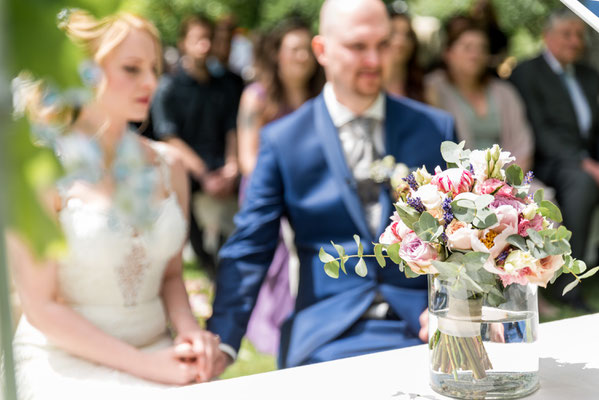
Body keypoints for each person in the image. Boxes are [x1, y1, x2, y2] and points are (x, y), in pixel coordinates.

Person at [207, 0, 455, 372]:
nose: (374, 60)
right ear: (321, 51)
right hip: (326, 335)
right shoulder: (283, 140)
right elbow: (250, 248)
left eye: (383, 44)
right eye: (358, 46)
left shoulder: (435, 130)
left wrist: (456, 307)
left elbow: (462, 237)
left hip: (424, 327)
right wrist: (222, 343)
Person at [8, 10, 222, 399]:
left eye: (153, 69)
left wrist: (191, 334)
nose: (150, 83)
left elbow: (171, 276)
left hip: (159, 349)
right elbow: (40, 306)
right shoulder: (39, 172)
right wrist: (147, 368)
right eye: (132, 69)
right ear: (83, 72)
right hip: (63, 365)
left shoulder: (168, 166)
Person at [237, 18, 324, 355]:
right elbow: (248, 158)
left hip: (311, 194)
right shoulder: (256, 97)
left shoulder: (321, 97)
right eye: (293, 49)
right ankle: (272, 332)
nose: (302, 57)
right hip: (265, 193)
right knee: (274, 269)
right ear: (277, 54)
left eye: (306, 49)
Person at [510, 9, 599, 309]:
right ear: (547, 36)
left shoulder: (588, 75)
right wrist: (581, 161)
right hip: (548, 160)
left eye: (579, 35)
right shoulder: (527, 72)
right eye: (567, 34)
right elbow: (538, 127)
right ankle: (566, 283)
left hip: (587, 157)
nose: (575, 41)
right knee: (582, 182)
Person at [150, 14, 240, 278]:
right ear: (183, 43)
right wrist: (204, 174)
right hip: (190, 181)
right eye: (198, 39)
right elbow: (168, 136)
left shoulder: (226, 85)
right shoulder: (168, 88)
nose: (205, 46)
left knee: (230, 249)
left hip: (225, 179)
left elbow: (233, 128)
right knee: (201, 253)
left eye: (208, 39)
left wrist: (232, 166)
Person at [424, 18, 534, 172]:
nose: (475, 54)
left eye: (482, 48)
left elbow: (523, 145)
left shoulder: (505, 92)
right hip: (456, 183)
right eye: (467, 48)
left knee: (545, 196)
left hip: (507, 182)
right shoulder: (432, 88)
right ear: (448, 53)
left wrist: (506, 184)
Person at [384, 10, 425, 102]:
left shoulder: (426, 87)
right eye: (393, 33)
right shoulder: (367, 85)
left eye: (407, 35)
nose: (400, 41)